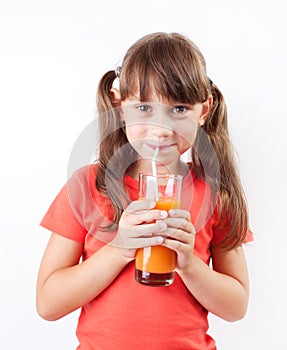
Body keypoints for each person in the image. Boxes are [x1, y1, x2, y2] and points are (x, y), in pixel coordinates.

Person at [36, 32, 253, 349]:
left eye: (179, 109)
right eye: (144, 108)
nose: (162, 129)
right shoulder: (87, 186)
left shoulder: (216, 195)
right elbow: (48, 303)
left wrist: (189, 264)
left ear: (203, 112)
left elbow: (236, 307)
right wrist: (120, 249)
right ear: (119, 105)